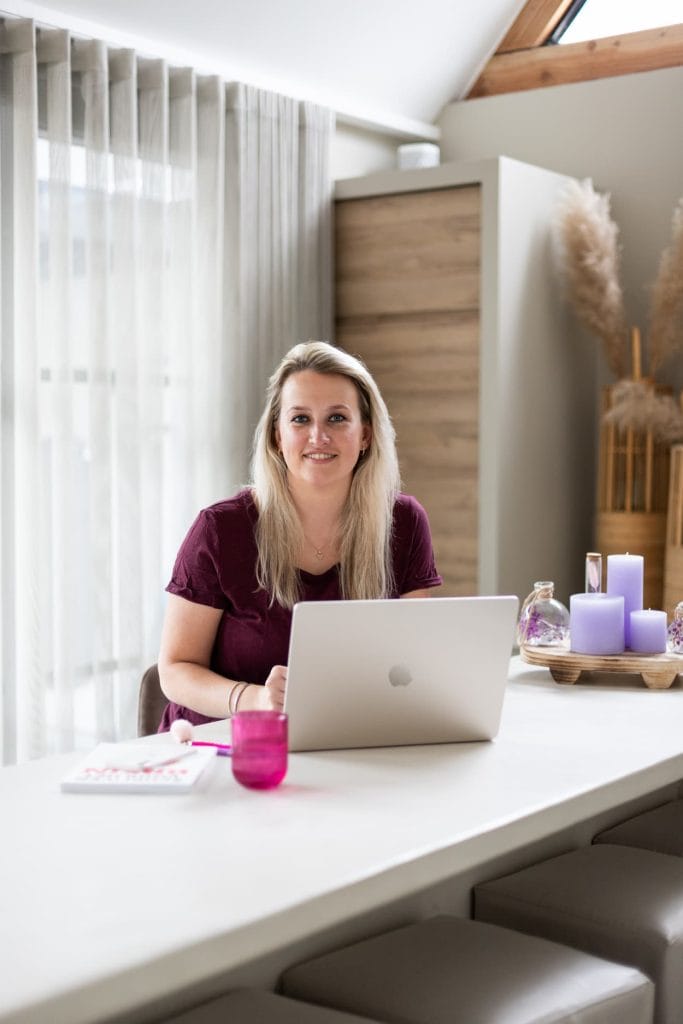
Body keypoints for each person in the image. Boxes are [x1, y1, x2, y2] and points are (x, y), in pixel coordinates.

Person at [157, 340, 442, 730]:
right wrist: (252, 698)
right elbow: (174, 670)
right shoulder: (221, 530)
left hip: (344, 739)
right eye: (300, 419)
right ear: (277, 435)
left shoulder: (404, 522)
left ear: (366, 436)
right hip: (223, 749)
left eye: (337, 418)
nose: (318, 437)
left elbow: (415, 659)